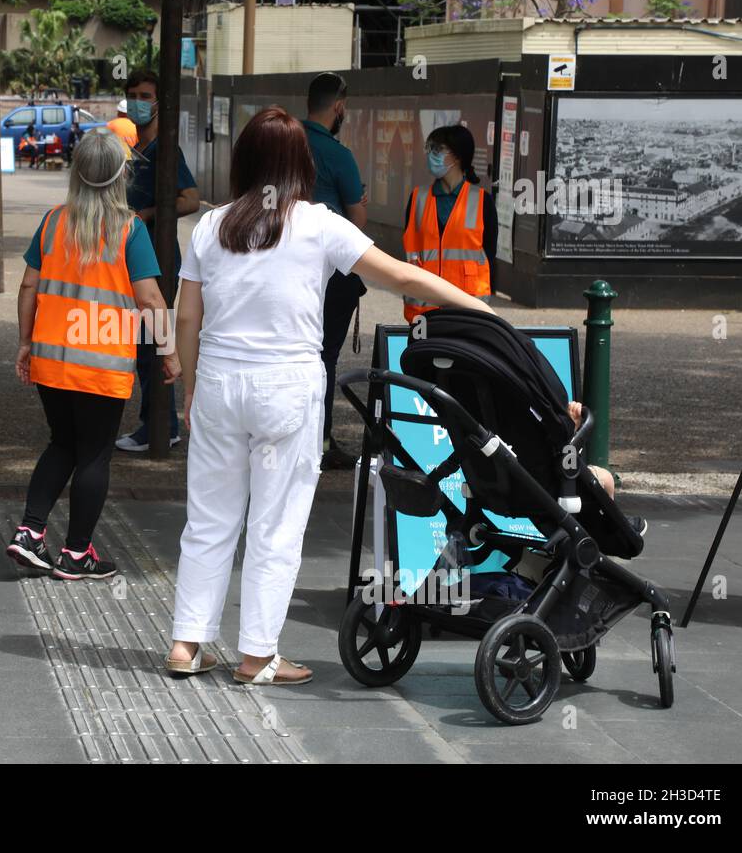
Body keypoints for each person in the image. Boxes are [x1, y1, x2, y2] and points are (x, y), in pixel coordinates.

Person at [163, 108, 494, 684]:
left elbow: (186, 317)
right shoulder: (319, 224)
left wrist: (190, 392)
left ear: (244, 161)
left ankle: (187, 645)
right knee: (276, 524)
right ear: (301, 166)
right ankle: (257, 655)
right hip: (286, 389)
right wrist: (482, 309)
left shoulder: (210, 226)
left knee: (209, 520)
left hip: (218, 382)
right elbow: (405, 277)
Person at [10, 129, 178, 580]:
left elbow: (29, 287)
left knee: (62, 443)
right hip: (101, 367)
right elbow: (151, 300)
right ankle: (77, 554)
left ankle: (30, 532)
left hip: (51, 361)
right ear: (122, 174)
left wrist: (25, 343)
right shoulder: (130, 229)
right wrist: (169, 351)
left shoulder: (52, 221)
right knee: (95, 455)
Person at [115, 69, 200, 453]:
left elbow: (191, 199)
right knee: (142, 345)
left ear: (158, 102)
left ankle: (160, 427)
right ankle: (155, 423)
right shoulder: (134, 150)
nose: (137, 100)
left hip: (157, 261)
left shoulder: (166, 152)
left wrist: (147, 215)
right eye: (131, 93)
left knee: (152, 344)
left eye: (144, 95)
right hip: (133, 262)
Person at [304, 72, 368, 470]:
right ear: (339, 108)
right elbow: (357, 223)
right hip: (330, 276)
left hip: (281, 271)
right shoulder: (337, 155)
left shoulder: (284, 144)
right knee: (323, 357)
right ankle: (320, 443)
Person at [402, 124, 497, 321]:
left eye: (437, 150)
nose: (431, 155)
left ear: (457, 156)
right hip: (423, 309)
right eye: (429, 149)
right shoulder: (418, 198)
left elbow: (489, 256)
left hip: (467, 308)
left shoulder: (481, 201)